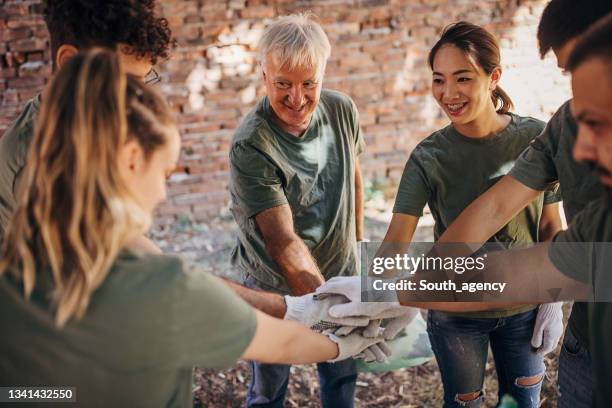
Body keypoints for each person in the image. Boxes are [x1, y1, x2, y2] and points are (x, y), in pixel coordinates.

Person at [0, 49, 388, 407]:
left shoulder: (16, 269)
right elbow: (283, 343)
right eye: (165, 172)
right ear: (132, 160)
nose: (164, 193)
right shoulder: (166, 289)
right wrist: (343, 343)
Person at [370, 22, 562, 407]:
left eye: (463, 78)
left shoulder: (536, 140)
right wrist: (370, 300)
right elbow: (394, 242)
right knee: (464, 403)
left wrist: (553, 297)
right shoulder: (428, 158)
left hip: (524, 311)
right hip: (455, 312)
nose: (448, 93)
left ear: (494, 78)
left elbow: (550, 224)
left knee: (524, 402)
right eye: (438, 80)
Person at [228, 12, 414, 408]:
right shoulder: (252, 144)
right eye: (282, 84)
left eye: (308, 84)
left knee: (341, 376)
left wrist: (358, 257)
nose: (296, 98)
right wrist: (334, 314)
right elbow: (282, 241)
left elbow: (354, 178)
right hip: (274, 284)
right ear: (263, 75)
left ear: (323, 75)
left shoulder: (342, 110)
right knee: (268, 387)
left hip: (339, 272)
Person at [430, 1, 612, 406]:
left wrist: (396, 290)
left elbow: (533, 272)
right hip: (586, 349)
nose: (581, 149)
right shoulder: (567, 125)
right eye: (571, 74)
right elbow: (496, 208)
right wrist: (423, 273)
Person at [0, 0, 173, 240]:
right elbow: (102, 262)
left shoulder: (83, 121)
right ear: (70, 63)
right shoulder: (38, 157)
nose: (138, 96)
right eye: (128, 82)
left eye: (144, 80)